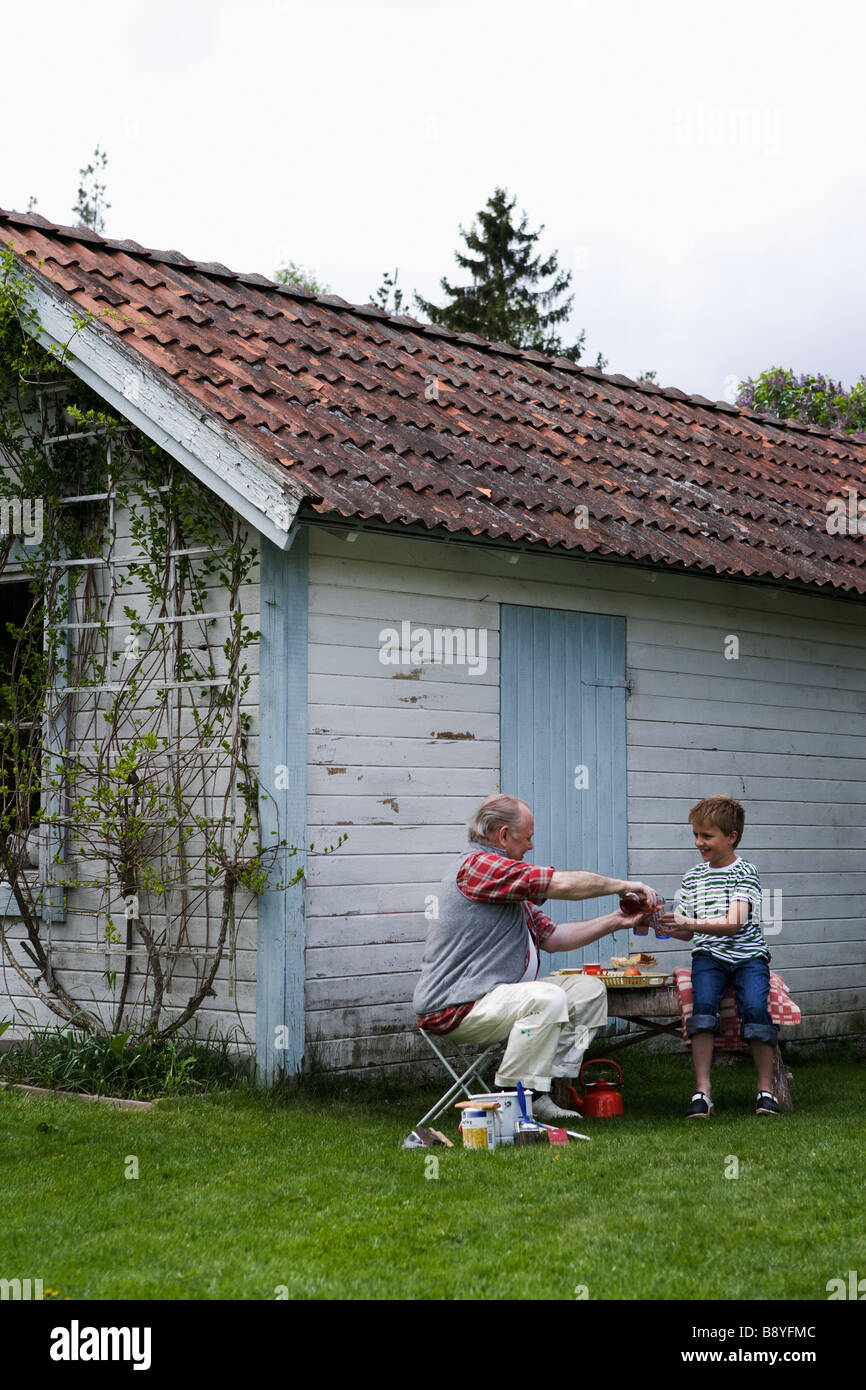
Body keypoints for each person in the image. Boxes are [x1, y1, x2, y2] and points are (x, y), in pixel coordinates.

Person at [413, 794, 661, 1122]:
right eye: (527, 837)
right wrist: (622, 885)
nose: (531, 845)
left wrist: (618, 919)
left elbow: (553, 938)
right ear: (502, 836)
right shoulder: (480, 866)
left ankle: (541, 1091)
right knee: (548, 997)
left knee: (588, 991)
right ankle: (512, 1101)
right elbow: (559, 883)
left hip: (494, 997)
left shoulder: (504, 885)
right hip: (455, 1005)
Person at [659, 795, 780, 1118]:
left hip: (748, 957)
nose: (699, 842)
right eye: (696, 834)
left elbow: (733, 923)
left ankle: (766, 1091)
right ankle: (702, 1093)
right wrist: (663, 924)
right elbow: (687, 932)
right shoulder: (693, 877)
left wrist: (690, 923)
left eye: (706, 836)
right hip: (709, 957)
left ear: (731, 837)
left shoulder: (745, 872)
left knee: (755, 1007)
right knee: (702, 1012)